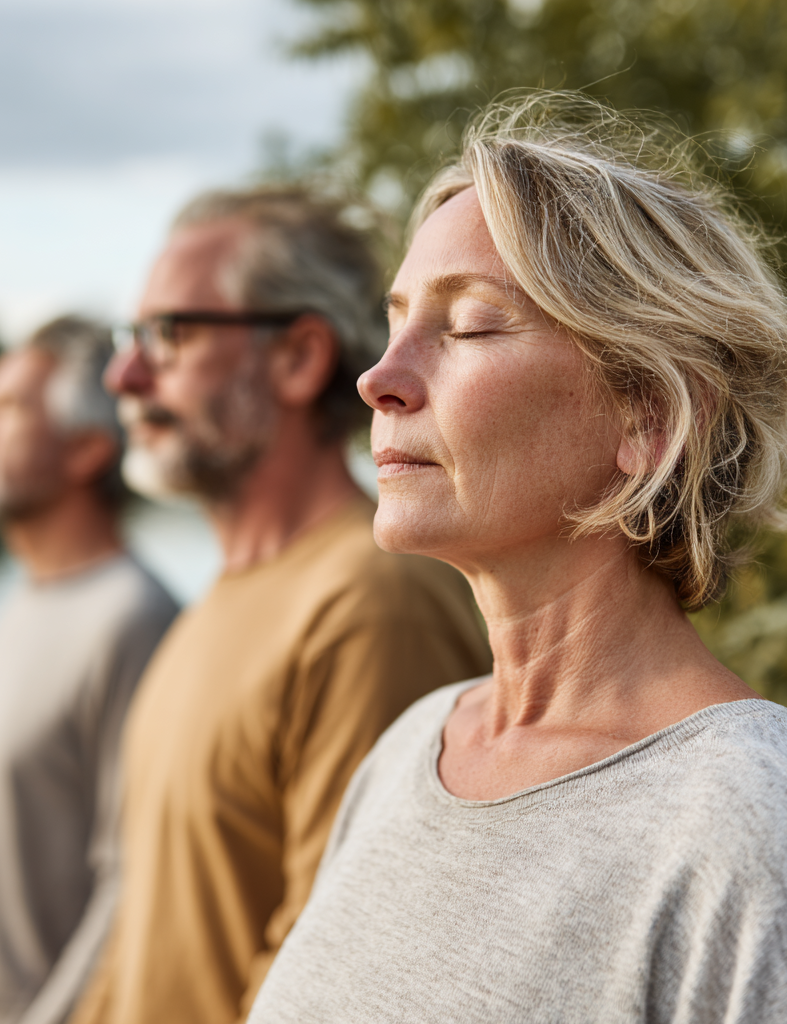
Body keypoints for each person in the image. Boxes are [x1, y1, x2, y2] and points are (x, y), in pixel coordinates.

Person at [247, 94, 787, 1023]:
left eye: (466, 326)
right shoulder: (407, 751)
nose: (378, 378)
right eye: (394, 323)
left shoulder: (749, 822)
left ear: (650, 416)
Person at [70, 187, 492, 1024]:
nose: (125, 374)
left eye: (169, 333)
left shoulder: (375, 600)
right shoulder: (217, 607)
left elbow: (334, 973)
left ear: (299, 358)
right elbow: (148, 935)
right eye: (131, 338)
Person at [0, 317, 178, 1024]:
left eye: (3, 408)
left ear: (88, 449)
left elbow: (134, 885)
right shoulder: (27, 600)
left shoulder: (132, 618)